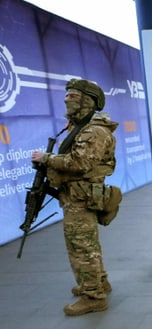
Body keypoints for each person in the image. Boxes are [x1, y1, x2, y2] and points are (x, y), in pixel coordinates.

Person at [31, 78, 121, 316]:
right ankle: (99, 281)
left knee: (80, 245)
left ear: (87, 100)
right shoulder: (80, 127)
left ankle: (93, 296)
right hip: (76, 195)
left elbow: (80, 163)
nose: (66, 99)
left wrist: (47, 159)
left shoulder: (93, 130)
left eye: (73, 96)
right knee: (87, 243)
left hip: (82, 196)